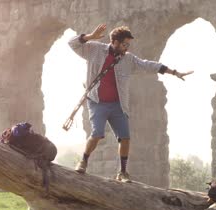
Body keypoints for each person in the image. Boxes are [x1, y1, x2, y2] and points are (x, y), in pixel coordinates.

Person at [69, 24, 192, 182]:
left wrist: (173, 72)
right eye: (124, 44)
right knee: (97, 133)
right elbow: (72, 43)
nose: (127, 48)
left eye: (128, 45)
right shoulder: (95, 49)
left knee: (125, 137)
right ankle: (84, 161)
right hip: (97, 102)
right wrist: (90, 37)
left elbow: (147, 64)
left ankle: (123, 172)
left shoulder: (128, 59)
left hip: (118, 104)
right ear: (114, 42)